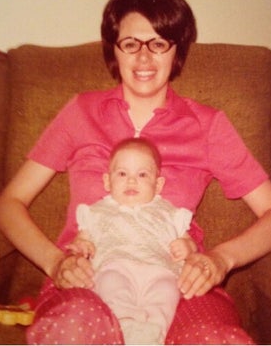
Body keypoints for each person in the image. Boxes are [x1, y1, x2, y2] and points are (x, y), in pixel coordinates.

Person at [0, 0, 271, 344]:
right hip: (87, 278)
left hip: (177, 279)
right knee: (74, 328)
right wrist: (54, 262)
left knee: (213, 338)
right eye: (130, 44)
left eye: (158, 43)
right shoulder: (81, 112)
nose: (144, 58)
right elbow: (10, 202)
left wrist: (222, 259)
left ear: (177, 50)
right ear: (114, 49)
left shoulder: (207, 124)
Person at [66, 138, 197, 344]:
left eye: (142, 174)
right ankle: (123, 329)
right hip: (116, 265)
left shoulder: (169, 212)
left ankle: (154, 334)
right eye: (122, 173)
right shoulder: (97, 211)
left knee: (167, 293)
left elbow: (188, 240)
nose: (131, 181)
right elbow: (83, 238)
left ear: (158, 183)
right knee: (112, 286)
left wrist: (187, 247)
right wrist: (82, 247)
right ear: (108, 181)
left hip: (160, 271)